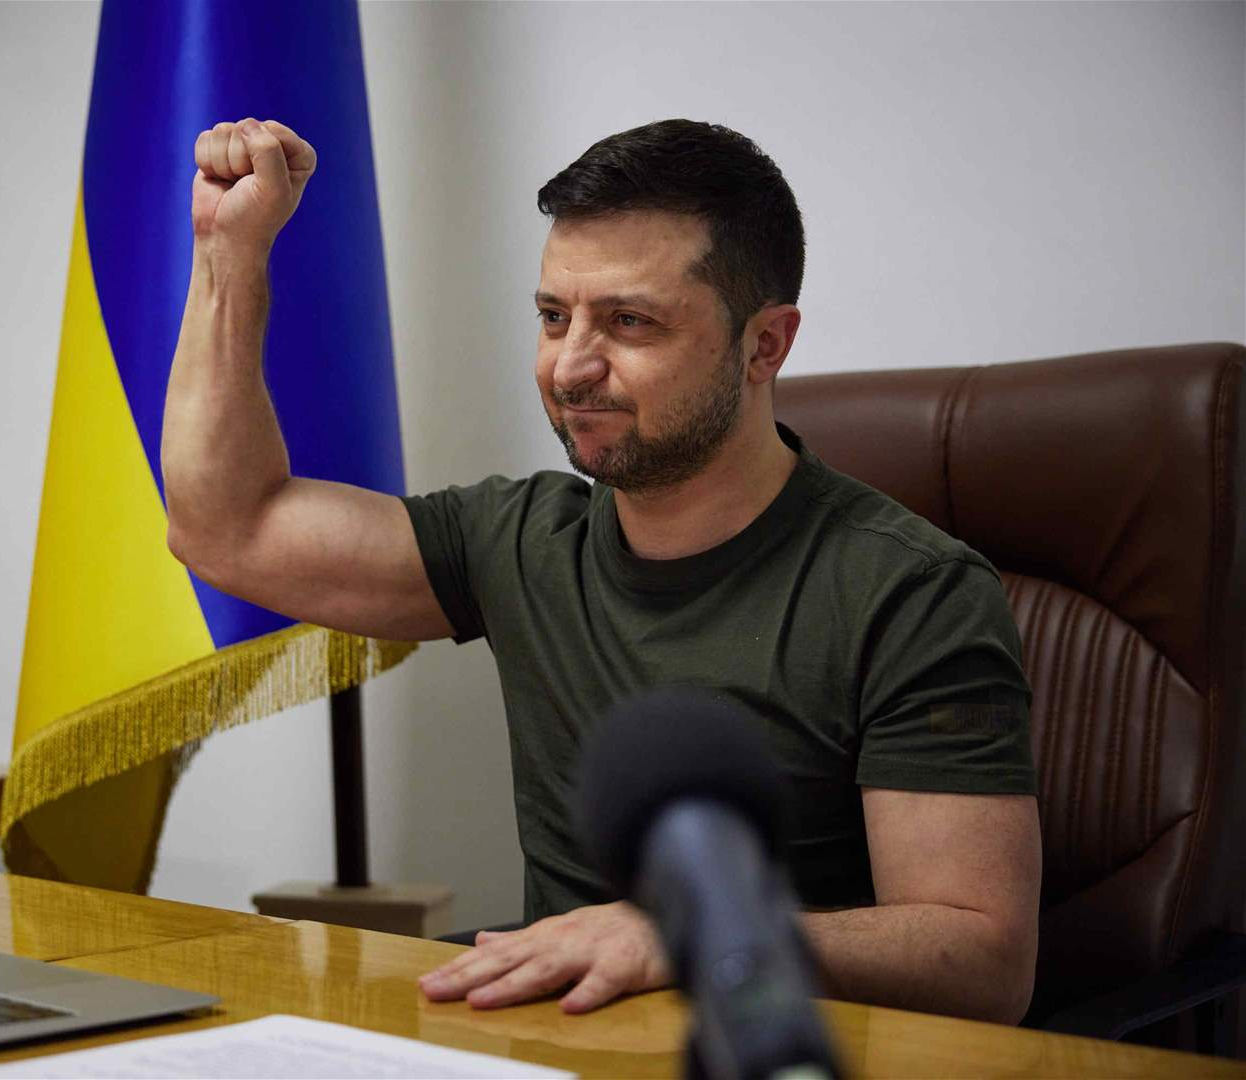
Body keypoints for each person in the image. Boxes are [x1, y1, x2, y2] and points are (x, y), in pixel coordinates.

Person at [163, 117, 1042, 1025]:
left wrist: (698, 931)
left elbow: (982, 962)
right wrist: (228, 251)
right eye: (553, 318)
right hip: (558, 1041)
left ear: (764, 346)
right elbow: (224, 527)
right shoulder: (519, 540)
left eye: (629, 322)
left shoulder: (913, 591)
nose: (570, 369)